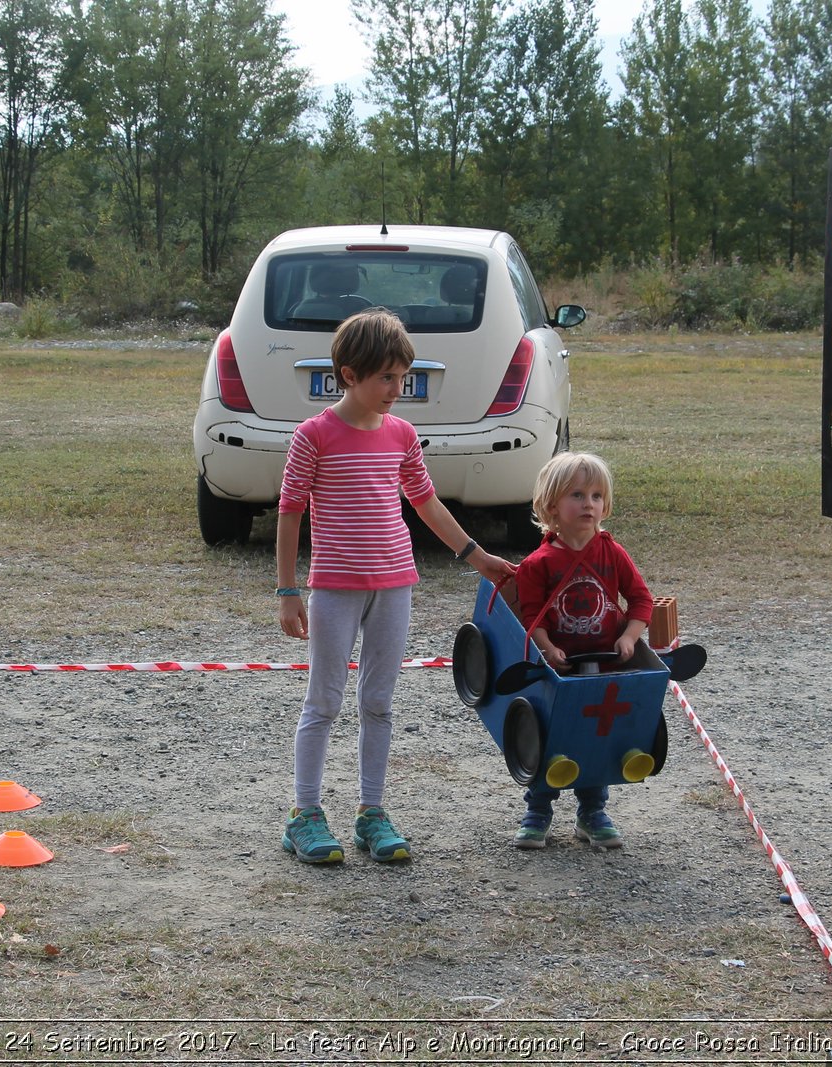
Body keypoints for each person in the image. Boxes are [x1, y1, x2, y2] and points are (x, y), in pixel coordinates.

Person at [276, 307, 515, 864]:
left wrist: (476, 556)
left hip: (396, 586)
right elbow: (289, 512)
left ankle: (371, 813)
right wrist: (288, 591)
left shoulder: (403, 434)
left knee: (378, 702)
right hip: (334, 588)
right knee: (325, 701)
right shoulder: (313, 436)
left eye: (401, 378)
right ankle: (304, 814)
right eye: (386, 378)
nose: (396, 390)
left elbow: (424, 500)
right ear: (349, 374)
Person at [511, 451, 654, 851]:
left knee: (597, 735)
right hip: (558, 669)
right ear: (552, 505)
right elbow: (531, 617)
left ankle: (592, 812)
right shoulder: (537, 563)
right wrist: (547, 646)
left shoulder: (613, 553)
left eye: (595, 495)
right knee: (551, 736)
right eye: (577, 494)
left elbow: (641, 599)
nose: (588, 503)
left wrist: (629, 635)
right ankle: (537, 811)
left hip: (606, 667)